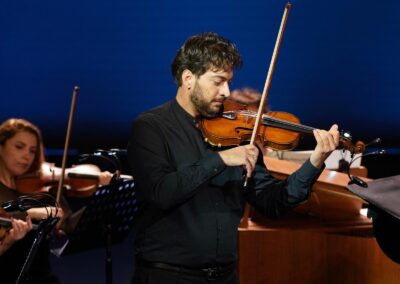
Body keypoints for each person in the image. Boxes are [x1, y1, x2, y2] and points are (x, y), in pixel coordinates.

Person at [127, 32, 339, 284]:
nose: (226, 91)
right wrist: (221, 160)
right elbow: (161, 192)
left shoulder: (238, 136)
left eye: (228, 81)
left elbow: (273, 202)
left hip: (226, 277)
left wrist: (315, 161)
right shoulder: (150, 127)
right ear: (188, 79)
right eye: (218, 81)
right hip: (168, 276)